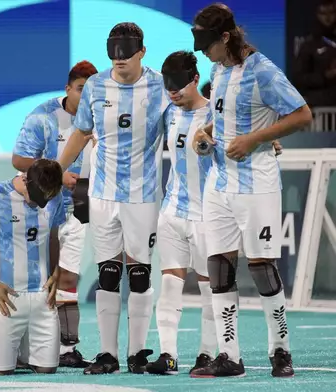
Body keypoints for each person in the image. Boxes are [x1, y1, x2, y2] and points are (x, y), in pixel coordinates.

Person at [191, 2, 312, 378]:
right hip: (219, 183)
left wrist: (255, 139)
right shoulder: (218, 69)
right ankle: (230, 356)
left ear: (225, 38)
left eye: (207, 45)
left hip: (257, 184)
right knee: (219, 267)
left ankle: (281, 351)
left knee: (261, 268)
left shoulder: (263, 71)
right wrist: (204, 134)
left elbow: (302, 115)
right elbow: (220, 117)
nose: (204, 53)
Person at [57, 22, 170, 375]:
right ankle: (108, 354)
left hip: (143, 195)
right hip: (103, 194)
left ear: (142, 51)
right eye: (113, 51)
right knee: (107, 274)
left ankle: (137, 353)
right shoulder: (95, 85)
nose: (118, 58)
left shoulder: (159, 86)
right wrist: (54, 170)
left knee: (139, 274)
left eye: (126, 50)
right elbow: (81, 132)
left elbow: (188, 116)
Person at [11, 60, 98, 368]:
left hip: (80, 208)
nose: (85, 96)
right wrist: (56, 175)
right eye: (80, 90)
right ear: (68, 89)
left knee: (69, 276)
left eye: (91, 91)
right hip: (42, 210)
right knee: (38, 278)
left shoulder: (102, 115)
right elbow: (19, 160)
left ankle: (67, 348)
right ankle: (18, 343)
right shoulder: (43, 116)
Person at [144, 50, 216, 376]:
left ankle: (207, 354)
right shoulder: (168, 112)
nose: (173, 91)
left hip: (207, 216)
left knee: (209, 288)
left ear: (195, 78)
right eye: (168, 85)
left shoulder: (217, 114)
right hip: (172, 210)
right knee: (169, 285)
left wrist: (270, 144)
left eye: (179, 84)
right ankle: (168, 355)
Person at [0, 159, 65, 376]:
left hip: (41, 296)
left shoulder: (54, 196)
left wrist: (56, 271)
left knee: (47, 369)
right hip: (5, 295)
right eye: (38, 199)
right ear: (26, 180)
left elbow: (53, 237)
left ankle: (17, 350)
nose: (42, 204)